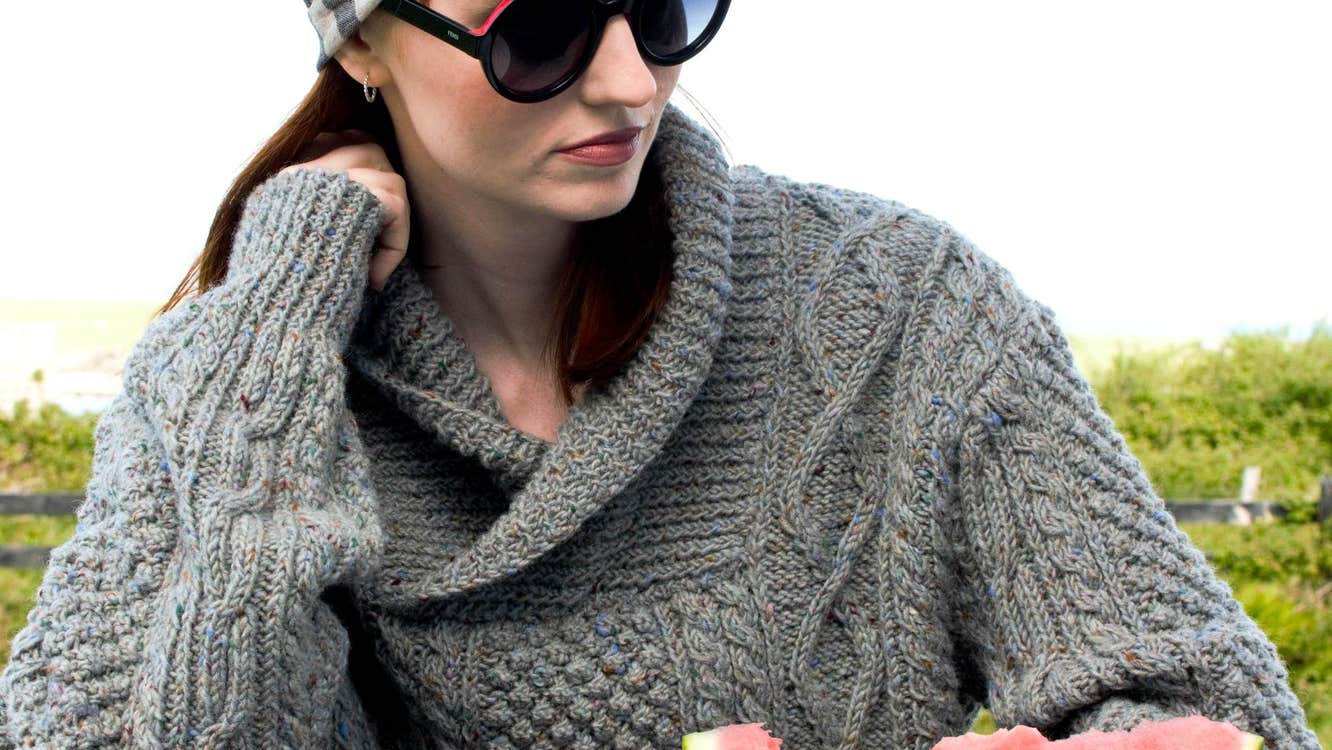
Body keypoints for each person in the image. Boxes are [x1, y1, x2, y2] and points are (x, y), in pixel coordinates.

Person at [0, 0, 1320, 747]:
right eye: (543, 29)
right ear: (359, 38)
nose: (635, 81)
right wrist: (282, 309)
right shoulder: (223, 382)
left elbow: (1205, 687)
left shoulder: (904, 307)